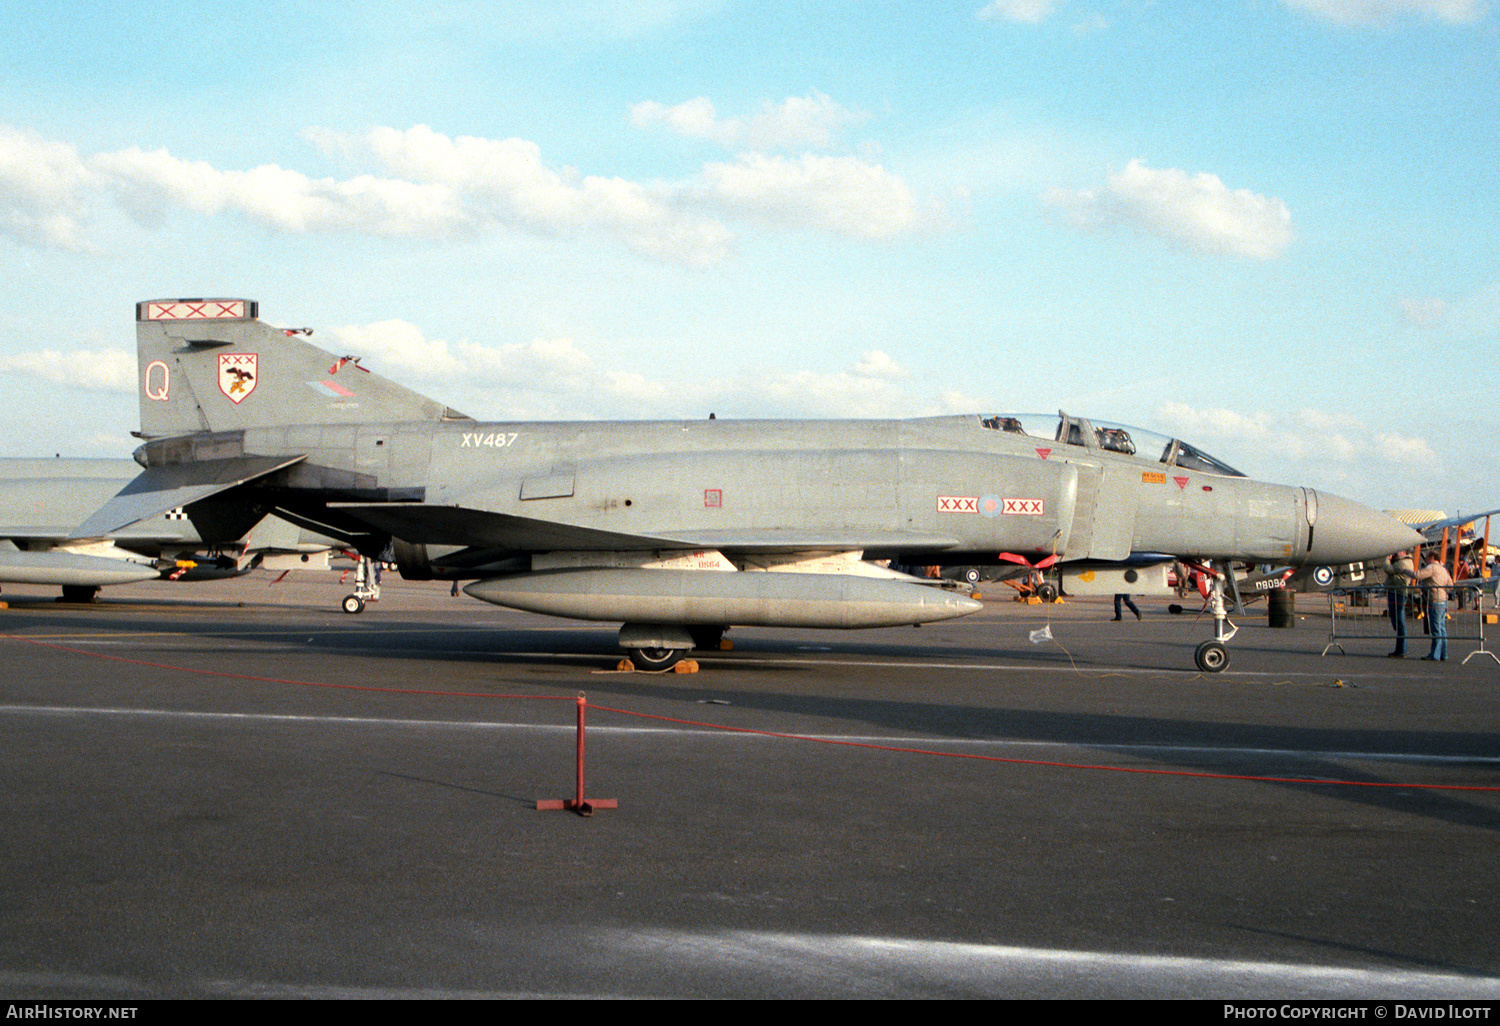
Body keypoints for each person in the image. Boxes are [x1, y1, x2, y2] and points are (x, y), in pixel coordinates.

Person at [1413, 551, 1454, 661]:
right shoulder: (1443, 568)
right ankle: (1443, 654)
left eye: (1426, 558)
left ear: (1431, 558)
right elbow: (1450, 585)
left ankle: (1434, 654)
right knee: (1442, 628)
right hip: (1443, 600)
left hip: (1435, 600)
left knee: (1436, 629)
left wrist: (1405, 571)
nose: (1425, 560)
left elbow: (1418, 575)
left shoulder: (1432, 567)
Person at [1384, 550, 1413, 658]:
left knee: (1399, 622)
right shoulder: (1401, 561)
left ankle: (1401, 650)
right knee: (1396, 620)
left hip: (1398, 593)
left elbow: (1388, 569)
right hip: (1395, 592)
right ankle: (1400, 648)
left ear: (1404, 552)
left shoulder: (1403, 563)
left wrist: (1387, 559)